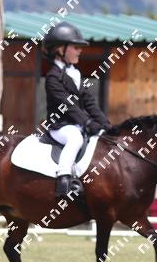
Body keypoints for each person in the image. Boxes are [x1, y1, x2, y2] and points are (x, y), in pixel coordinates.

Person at [43, 21, 111, 198]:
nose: (80, 51)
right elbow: (68, 106)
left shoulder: (75, 73)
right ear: (60, 49)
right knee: (75, 138)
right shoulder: (53, 77)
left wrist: (105, 124)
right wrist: (87, 123)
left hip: (78, 124)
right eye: (75, 47)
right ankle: (64, 180)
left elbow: (89, 102)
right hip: (60, 127)